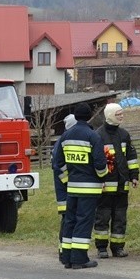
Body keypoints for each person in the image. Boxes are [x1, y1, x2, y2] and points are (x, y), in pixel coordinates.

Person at [53, 102, 108, 269]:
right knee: (84, 221)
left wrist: (68, 180)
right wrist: (103, 176)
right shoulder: (93, 136)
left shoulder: (66, 136)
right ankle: (80, 259)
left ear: (76, 116)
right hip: (89, 188)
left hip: (72, 188)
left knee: (70, 221)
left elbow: (58, 163)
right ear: (89, 116)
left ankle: (68, 258)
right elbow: (100, 164)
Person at [93, 103, 139, 258]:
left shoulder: (124, 135)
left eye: (122, 113)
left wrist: (134, 176)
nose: (121, 116)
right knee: (102, 218)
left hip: (122, 186)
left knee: (120, 218)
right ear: (110, 115)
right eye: (118, 114)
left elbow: (131, 158)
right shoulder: (98, 135)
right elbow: (96, 160)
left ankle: (118, 247)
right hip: (105, 187)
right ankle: (101, 248)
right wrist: (99, 179)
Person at [52, 114, 76, 265]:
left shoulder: (64, 140)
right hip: (65, 191)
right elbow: (59, 168)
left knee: (68, 220)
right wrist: (72, 180)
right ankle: (63, 250)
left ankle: (65, 250)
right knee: (67, 220)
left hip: (66, 190)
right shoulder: (63, 142)